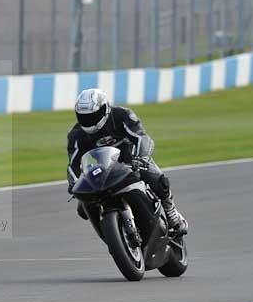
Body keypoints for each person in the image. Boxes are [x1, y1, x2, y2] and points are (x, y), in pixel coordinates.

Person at [67, 88, 187, 233]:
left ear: (105, 109)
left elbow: (142, 137)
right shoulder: (76, 135)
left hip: (131, 158)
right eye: (84, 117)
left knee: (154, 175)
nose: (88, 121)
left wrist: (141, 157)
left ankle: (171, 211)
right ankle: (108, 233)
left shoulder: (121, 115)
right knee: (82, 207)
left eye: (93, 116)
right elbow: (73, 164)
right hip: (103, 166)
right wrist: (75, 183)